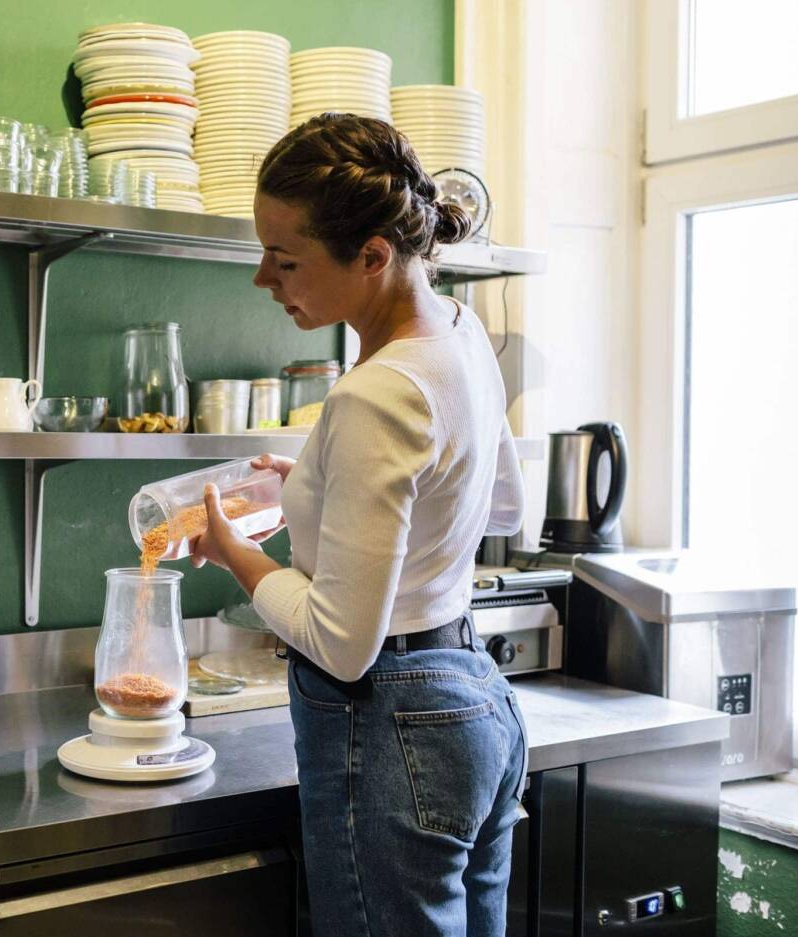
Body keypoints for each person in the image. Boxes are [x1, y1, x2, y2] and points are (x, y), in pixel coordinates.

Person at [190, 113, 528, 937]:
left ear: (373, 255)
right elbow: (503, 501)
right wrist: (318, 479)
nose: (265, 279)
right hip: (474, 698)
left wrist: (237, 555)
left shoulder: (376, 391)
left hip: (387, 728)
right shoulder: (458, 332)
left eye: (287, 258)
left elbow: (342, 642)